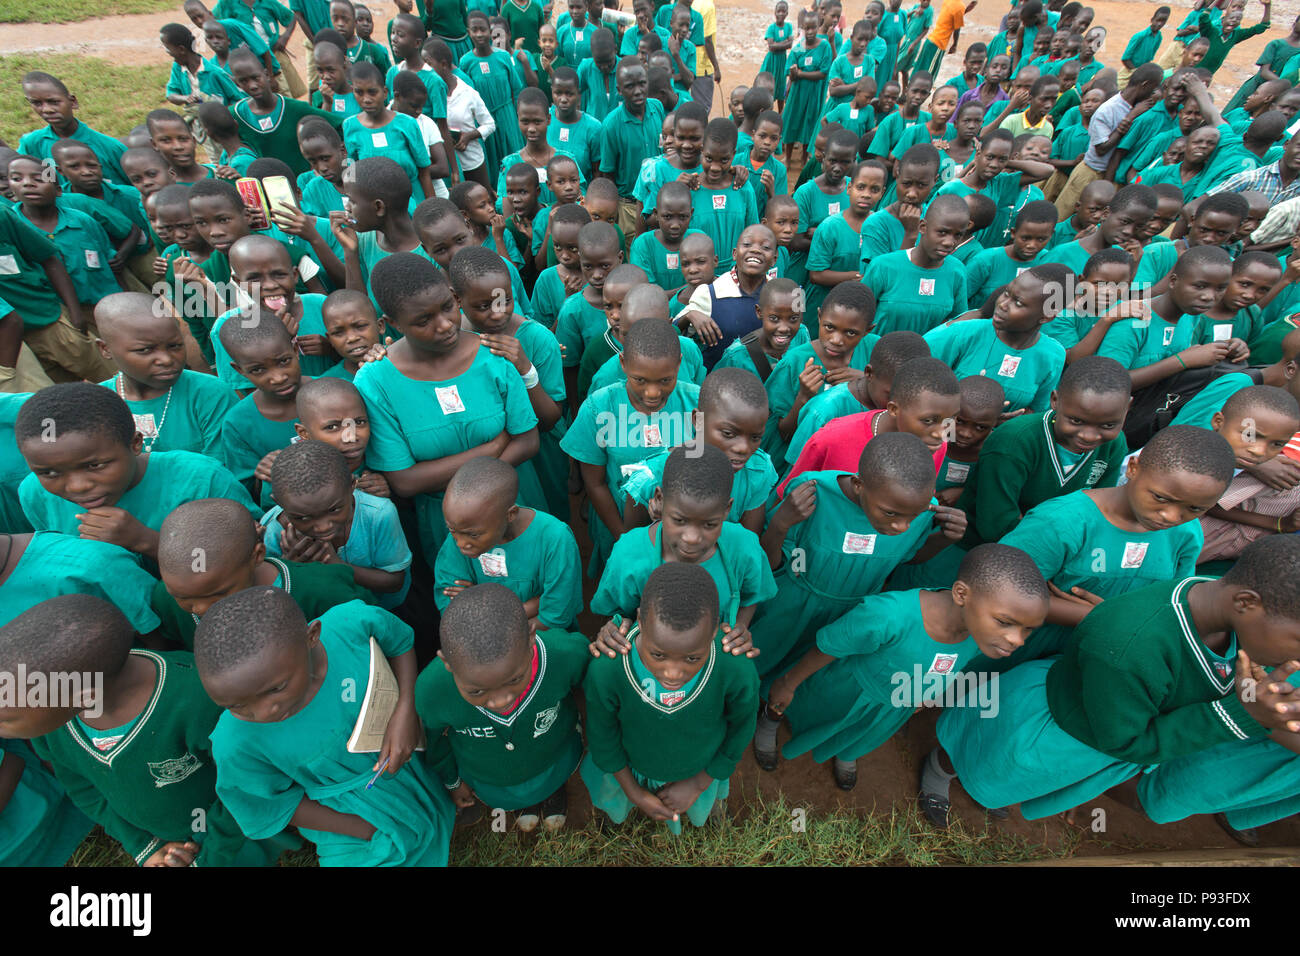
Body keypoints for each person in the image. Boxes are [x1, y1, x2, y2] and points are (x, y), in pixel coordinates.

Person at [926, 532, 1300, 827]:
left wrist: (1251, 698)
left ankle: (986, 786)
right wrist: (1239, 715)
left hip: (1091, 738)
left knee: (1004, 773)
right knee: (978, 749)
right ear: (1246, 603)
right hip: (1052, 729)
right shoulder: (1132, 650)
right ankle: (939, 770)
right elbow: (1127, 740)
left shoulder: (1214, 600)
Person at [1, 595, 294, 866]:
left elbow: (247, 789)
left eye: (7, 720)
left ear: (83, 698)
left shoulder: (200, 702)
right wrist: (146, 847)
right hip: (168, 840)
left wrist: (211, 857)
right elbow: (82, 787)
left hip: (239, 833)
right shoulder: (53, 721)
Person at [758, 543, 1049, 789]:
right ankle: (770, 718)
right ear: (962, 594)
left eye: (1028, 630)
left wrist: (929, 691)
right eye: (1005, 622)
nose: (1017, 640)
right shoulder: (888, 616)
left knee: (862, 732)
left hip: (895, 703)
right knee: (802, 709)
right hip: (845, 688)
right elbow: (828, 647)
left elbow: (951, 664)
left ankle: (847, 749)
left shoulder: (981, 637)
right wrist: (788, 683)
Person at [199, 586, 455, 866]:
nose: (264, 712)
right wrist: (364, 829)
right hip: (348, 813)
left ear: (311, 636)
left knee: (440, 807)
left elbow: (399, 642)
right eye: (236, 706)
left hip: (411, 763)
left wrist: (405, 709)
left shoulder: (349, 625)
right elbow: (274, 804)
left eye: (277, 688)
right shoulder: (234, 741)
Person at [996, 424, 1234, 671]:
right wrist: (1102, 616)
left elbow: (1170, 604)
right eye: (1161, 498)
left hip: (1110, 656)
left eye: (1195, 509)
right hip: (1022, 646)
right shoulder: (1061, 522)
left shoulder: (1186, 534)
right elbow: (1001, 591)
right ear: (1133, 467)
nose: (1171, 516)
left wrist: (1113, 617)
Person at [751, 431, 967, 681]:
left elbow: (908, 557)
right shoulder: (814, 493)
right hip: (790, 605)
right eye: (889, 513)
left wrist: (944, 538)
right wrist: (780, 523)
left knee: (801, 676)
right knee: (759, 662)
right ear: (858, 485)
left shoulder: (920, 508)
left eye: (913, 516)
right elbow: (768, 563)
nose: (902, 527)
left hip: (850, 613)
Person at [580, 562, 759, 832]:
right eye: (658, 655)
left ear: (713, 632)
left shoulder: (735, 668)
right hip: (629, 766)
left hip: (700, 766)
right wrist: (634, 792)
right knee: (614, 802)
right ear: (639, 620)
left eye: (692, 657)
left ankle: (710, 807)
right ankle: (614, 817)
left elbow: (741, 728)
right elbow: (602, 736)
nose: (673, 673)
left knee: (704, 803)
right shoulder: (609, 668)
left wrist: (699, 783)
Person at [16, 383, 255, 562]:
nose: (78, 486)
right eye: (49, 472)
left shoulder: (202, 480)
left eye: (94, 465)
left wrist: (145, 540)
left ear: (135, 443)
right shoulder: (34, 493)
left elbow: (252, 555)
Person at [417, 581, 588, 830]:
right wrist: (452, 782)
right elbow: (433, 741)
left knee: (553, 778)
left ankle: (553, 792)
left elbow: (588, 679)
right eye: (476, 690)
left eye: (515, 679)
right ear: (447, 663)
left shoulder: (563, 654)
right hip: (490, 776)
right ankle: (521, 803)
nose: (501, 700)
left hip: (554, 756)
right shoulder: (432, 690)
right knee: (511, 795)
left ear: (531, 638)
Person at [259, 439, 412, 609]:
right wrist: (289, 567)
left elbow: (394, 581)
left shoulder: (378, 514)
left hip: (382, 610)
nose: (323, 527)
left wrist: (336, 566)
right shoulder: (275, 529)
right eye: (303, 518)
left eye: (334, 510)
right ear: (279, 503)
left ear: (352, 486)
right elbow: (270, 592)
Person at [94, 292, 236, 458]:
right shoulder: (95, 404)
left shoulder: (210, 394)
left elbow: (222, 472)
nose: (167, 360)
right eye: (145, 350)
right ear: (105, 349)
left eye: (175, 346)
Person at [925, 263, 1067, 414]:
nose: (1002, 305)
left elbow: (1036, 410)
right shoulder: (963, 333)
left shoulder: (1053, 355)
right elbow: (914, 380)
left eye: (1018, 303)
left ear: (1046, 317)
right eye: (1006, 293)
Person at [862, 193, 970, 336]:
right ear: (923, 227)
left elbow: (957, 323)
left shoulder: (956, 271)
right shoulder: (883, 266)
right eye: (942, 232)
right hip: (876, 355)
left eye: (958, 235)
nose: (949, 242)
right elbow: (857, 316)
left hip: (927, 356)